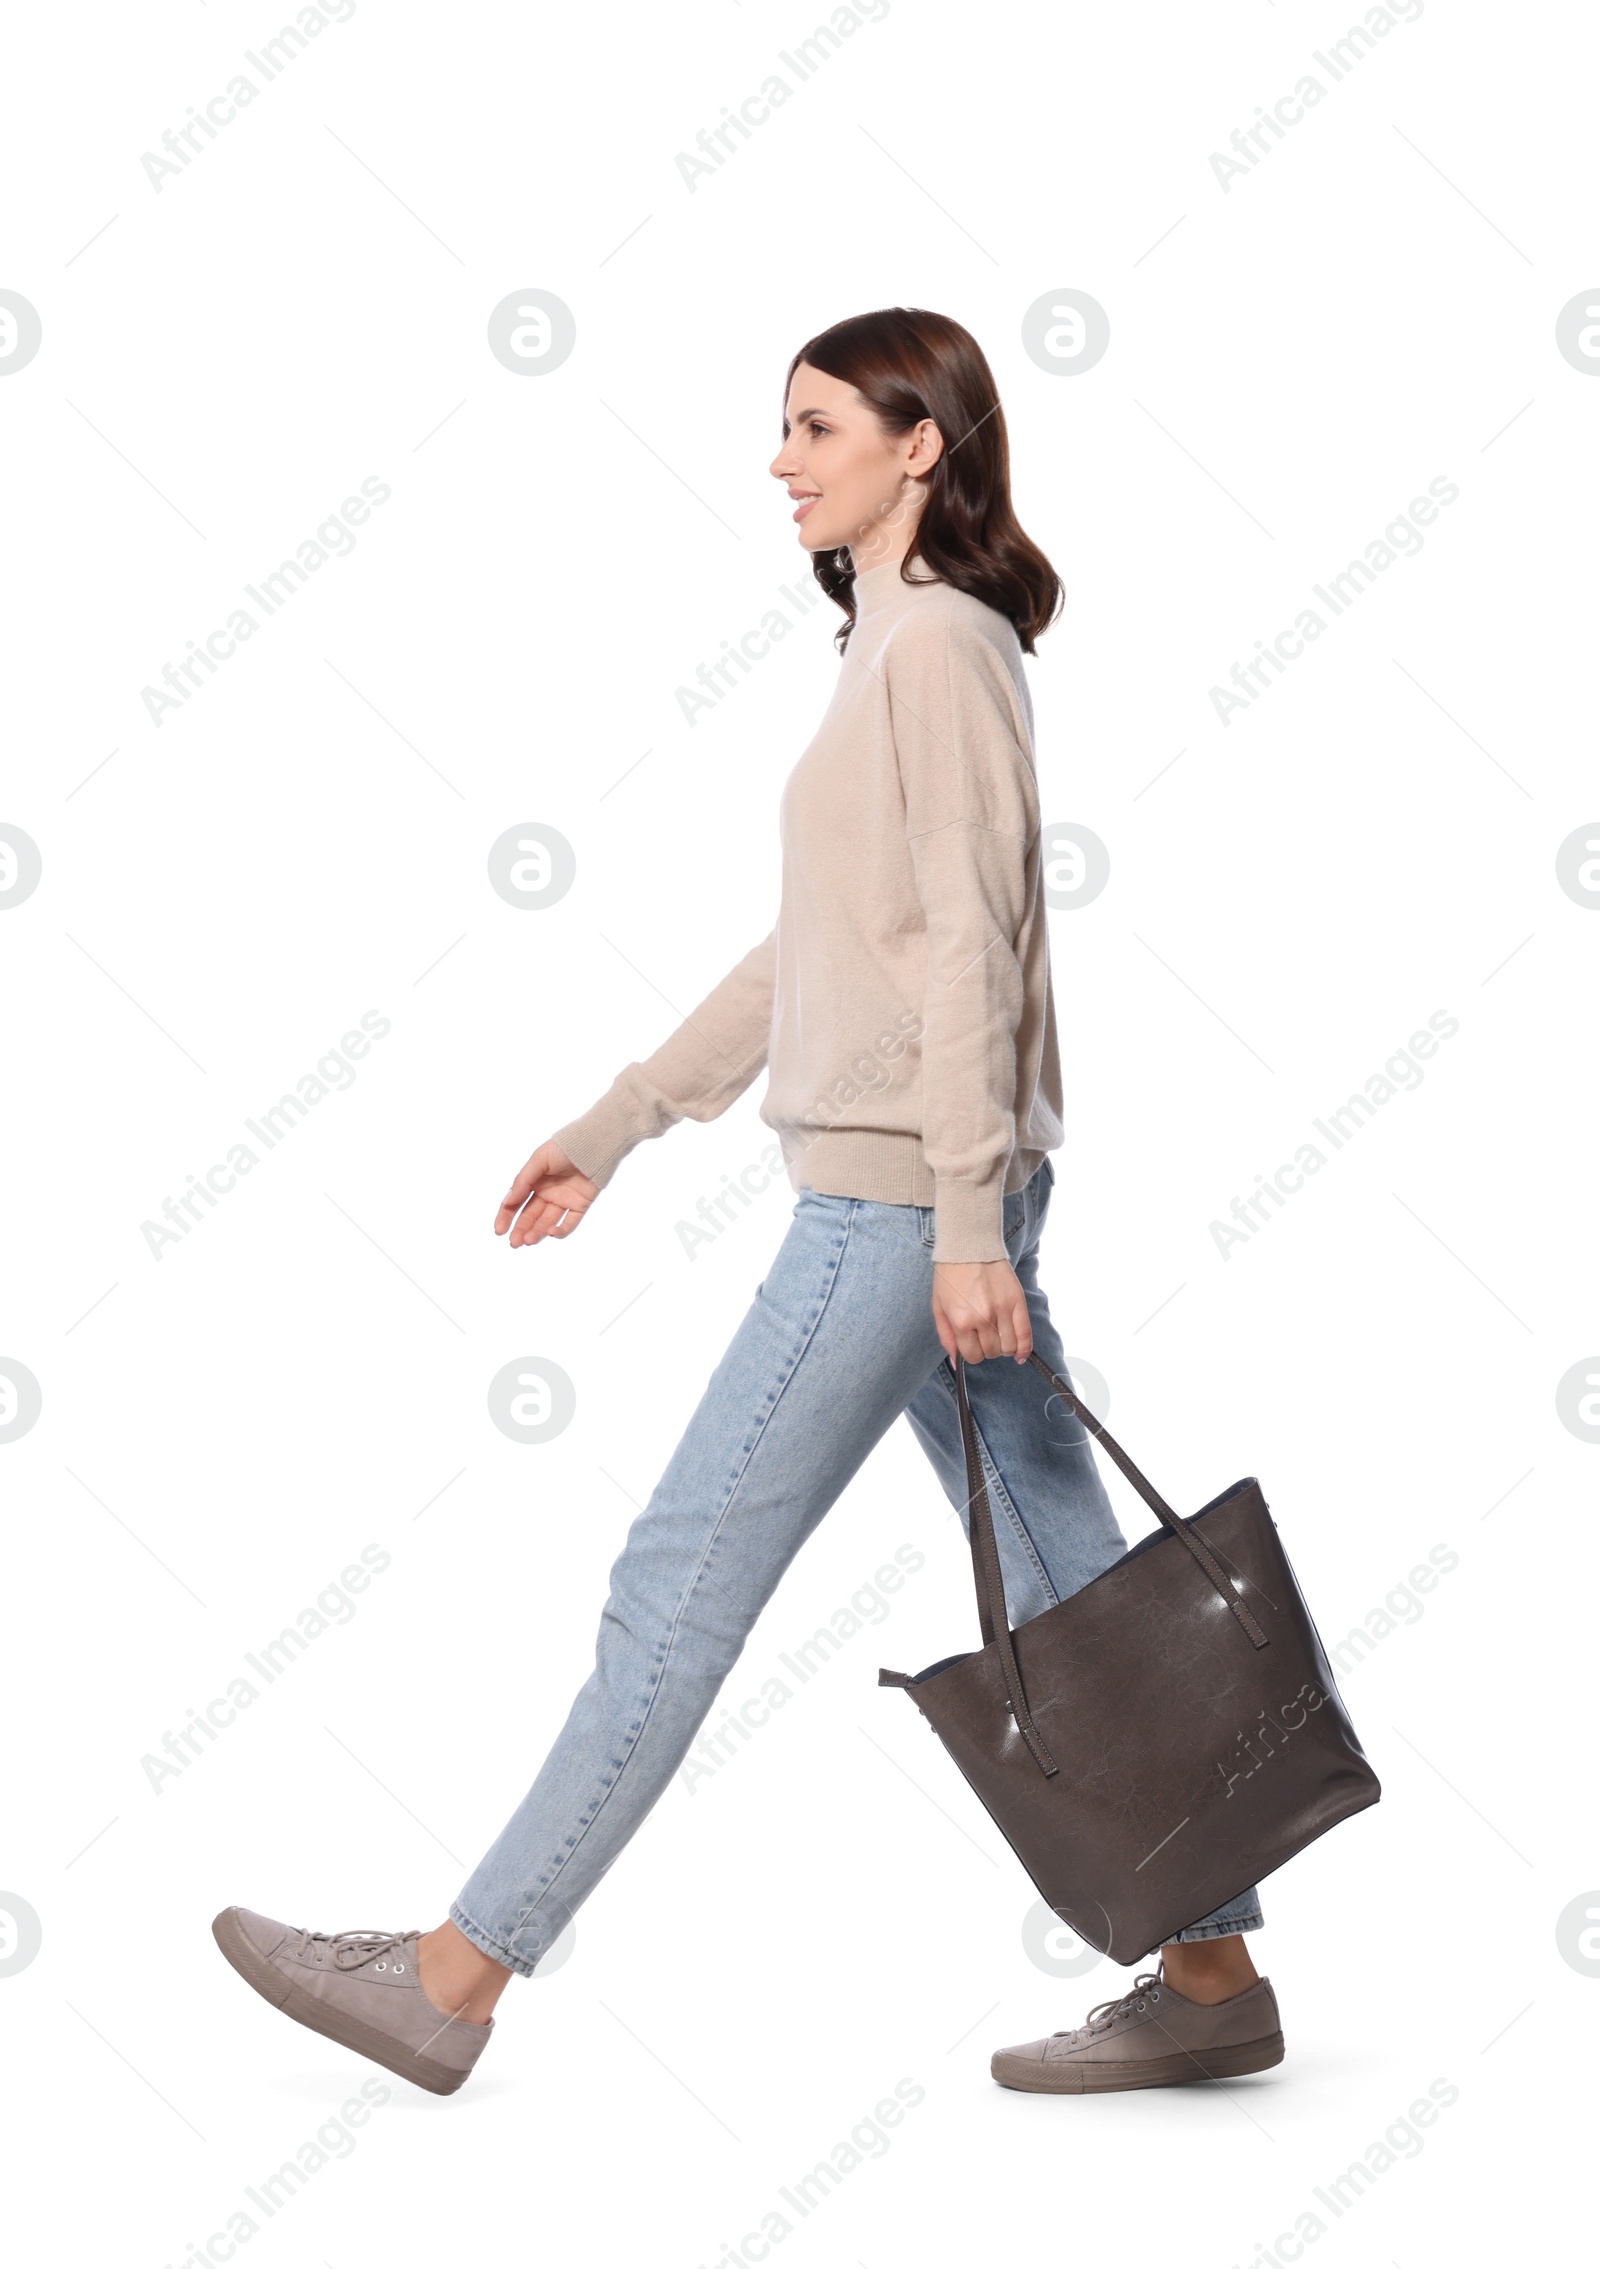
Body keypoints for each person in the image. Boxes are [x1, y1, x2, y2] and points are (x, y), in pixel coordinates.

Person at [212, 307, 1283, 2098]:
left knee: (677, 1578)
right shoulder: (893, 649)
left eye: (812, 427)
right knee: (1075, 1586)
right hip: (940, 1200)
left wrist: (951, 1225)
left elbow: (973, 951)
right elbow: (831, 947)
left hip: (893, 1217)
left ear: (916, 444)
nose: (779, 460)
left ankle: (450, 1977)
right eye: (777, 430)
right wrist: (629, 1114)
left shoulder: (936, 645)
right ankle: (1209, 1965)